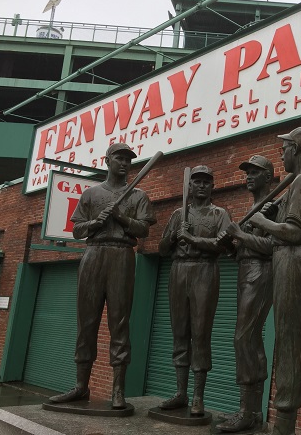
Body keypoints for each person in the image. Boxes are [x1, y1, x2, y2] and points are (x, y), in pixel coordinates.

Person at [49, 142, 156, 409]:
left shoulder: (138, 195)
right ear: (107, 160)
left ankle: (118, 390)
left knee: (119, 323)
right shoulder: (91, 193)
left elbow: (143, 231)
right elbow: (76, 231)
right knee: (86, 323)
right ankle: (80, 387)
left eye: (128, 159)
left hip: (122, 255)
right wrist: (95, 223)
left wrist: (120, 217)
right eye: (119, 158)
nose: (124, 163)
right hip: (93, 254)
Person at [248, 127, 301, 435]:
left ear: (297, 150)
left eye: (285, 148)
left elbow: (295, 233)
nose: (281, 153)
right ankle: (285, 421)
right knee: (286, 341)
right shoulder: (298, 184)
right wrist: (276, 211)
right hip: (287, 259)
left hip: (294, 259)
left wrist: (261, 220)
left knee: (289, 345)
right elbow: (289, 224)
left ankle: (284, 425)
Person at [157, 165, 232, 416]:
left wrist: (192, 240)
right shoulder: (179, 214)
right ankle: (180, 392)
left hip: (205, 271)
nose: (201, 185)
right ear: (190, 186)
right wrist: (174, 237)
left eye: (206, 182)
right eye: (197, 181)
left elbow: (224, 245)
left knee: (200, 334)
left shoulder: (220, 213)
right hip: (179, 271)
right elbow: (162, 249)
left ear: (212, 186)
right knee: (179, 333)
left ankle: (198, 396)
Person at [217, 155, 275, 432]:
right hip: (245, 270)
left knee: (244, 337)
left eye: (255, 172)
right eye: (247, 172)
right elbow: (243, 248)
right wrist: (230, 245)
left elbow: (272, 246)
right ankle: (249, 409)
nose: (248, 176)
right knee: (246, 339)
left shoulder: (275, 205)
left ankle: (249, 411)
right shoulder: (253, 207)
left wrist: (240, 234)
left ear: (268, 177)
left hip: (261, 272)